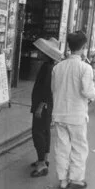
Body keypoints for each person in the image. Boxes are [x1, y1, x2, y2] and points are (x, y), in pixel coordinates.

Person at [51, 31, 95, 189]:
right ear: (83, 47)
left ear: (69, 46)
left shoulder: (57, 67)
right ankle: (76, 178)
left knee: (61, 147)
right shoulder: (86, 68)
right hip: (76, 115)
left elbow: (54, 90)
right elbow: (88, 92)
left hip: (59, 113)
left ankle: (63, 180)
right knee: (79, 147)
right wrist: (94, 90)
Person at [30, 37, 62, 178]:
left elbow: (47, 90)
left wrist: (40, 106)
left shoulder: (48, 68)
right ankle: (44, 158)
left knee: (38, 132)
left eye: (41, 51)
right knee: (45, 131)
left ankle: (42, 164)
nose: (39, 52)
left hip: (43, 106)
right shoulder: (48, 66)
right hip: (46, 105)